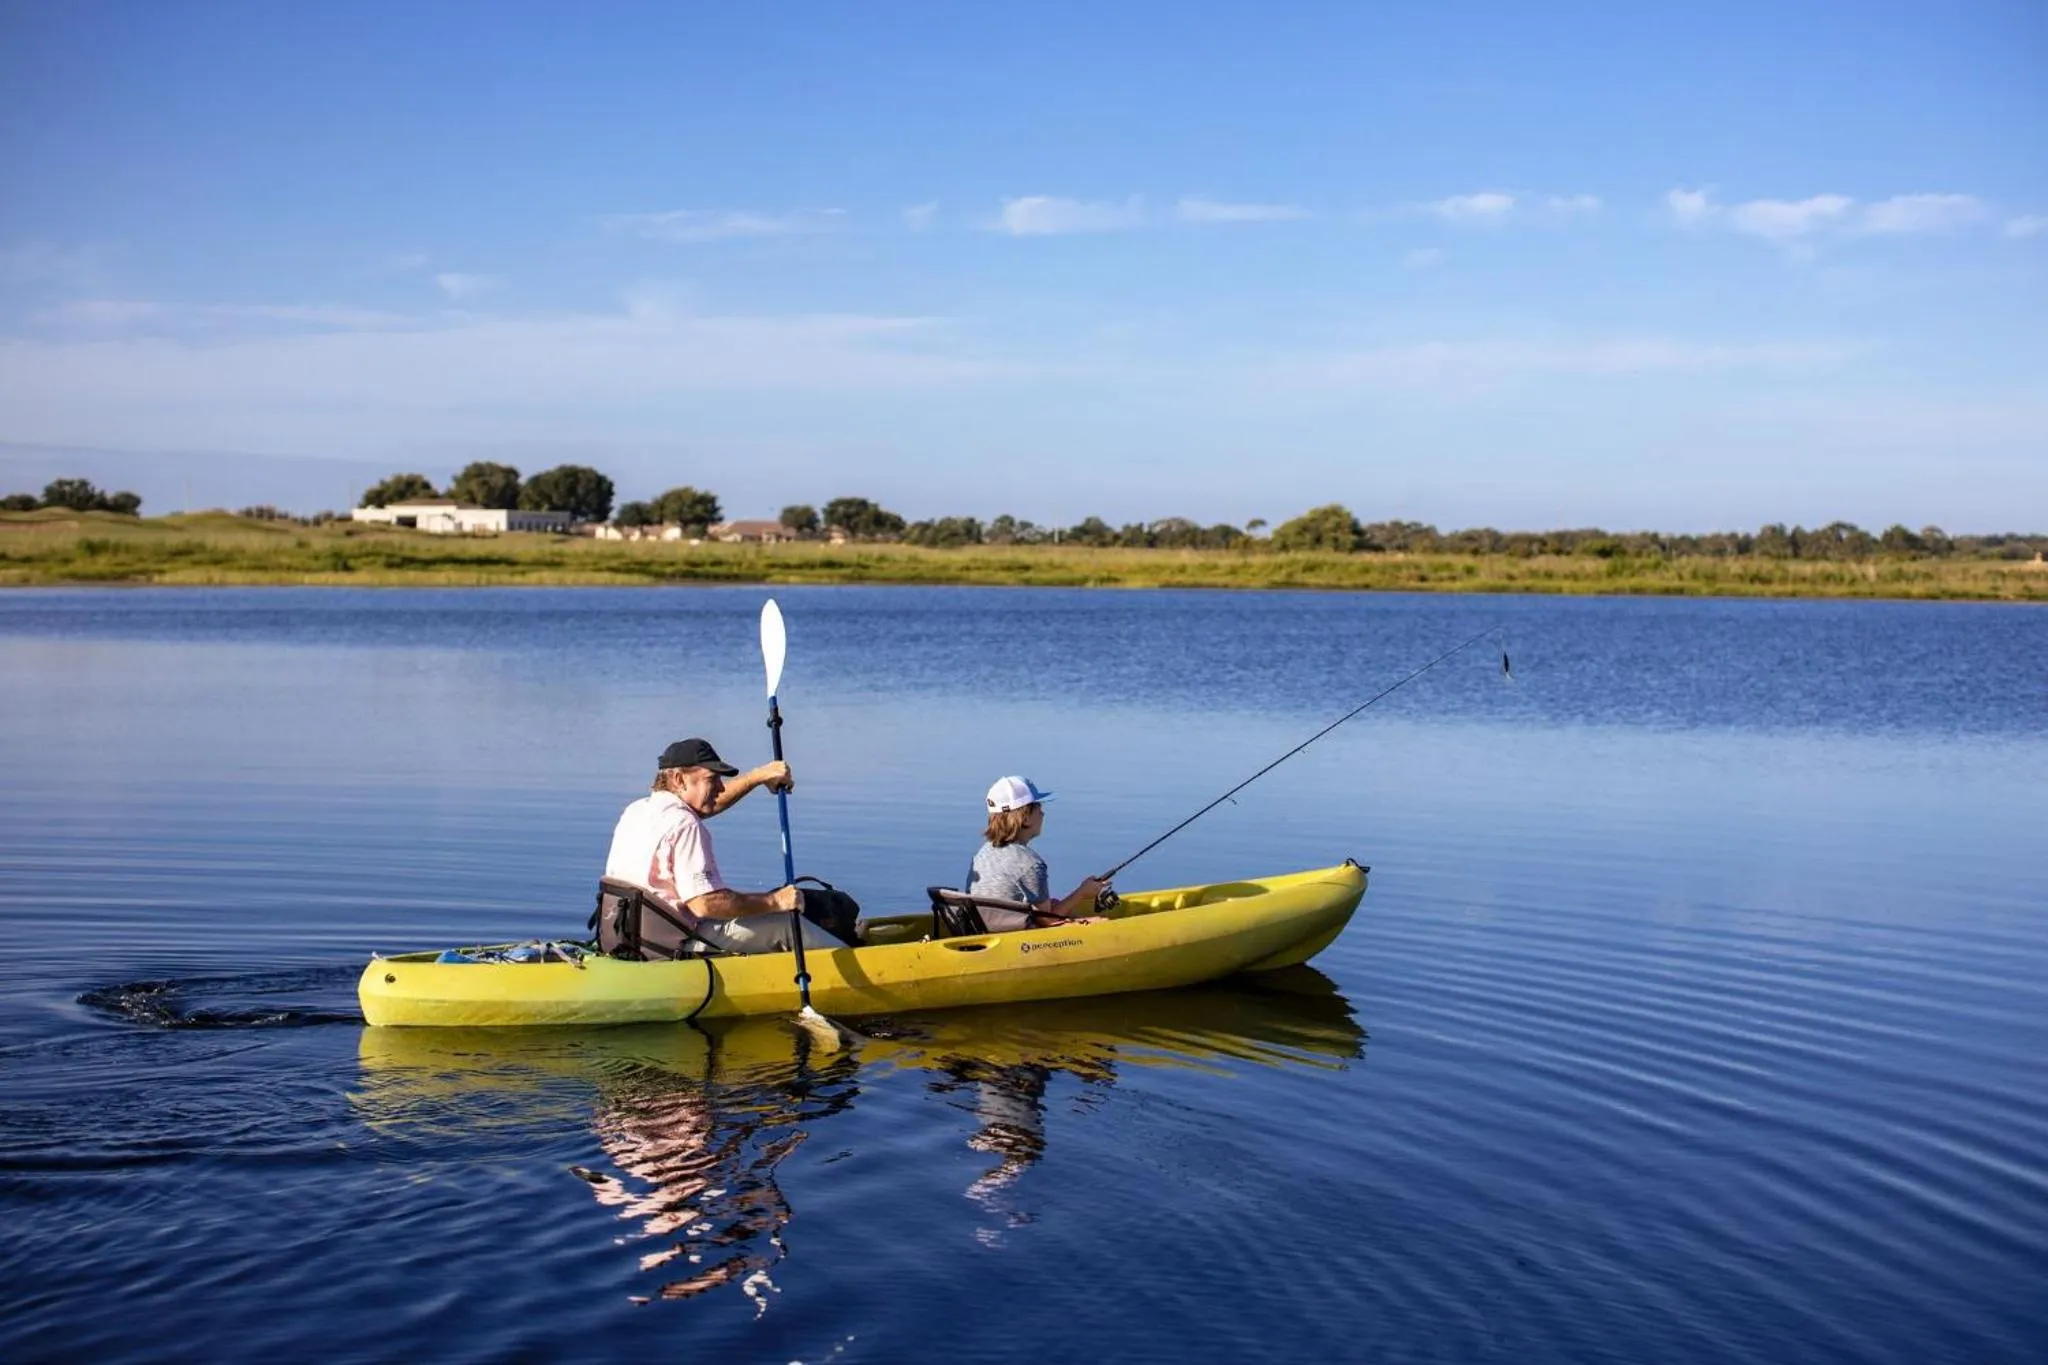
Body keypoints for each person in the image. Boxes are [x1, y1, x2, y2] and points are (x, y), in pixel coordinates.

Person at [604, 737, 849, 955]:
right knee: (786, 924)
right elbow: (704, 905)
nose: (720, 787)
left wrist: (758, 777)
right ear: (679, 779)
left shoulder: (637, 811)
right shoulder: (685, 824)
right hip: (676, 942)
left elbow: (709, 804)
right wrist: (775, 901)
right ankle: (860, 970)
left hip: (628, 935)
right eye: (712, 779)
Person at [963, 775, 1107, 932]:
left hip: (984, 929)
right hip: (1018, 940)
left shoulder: (983, 853)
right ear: (1025, 818)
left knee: (1056, 905)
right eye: (1039, 808)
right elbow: (1049, 920)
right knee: (1103, 923)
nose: (1043, 814)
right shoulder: (1030, 864)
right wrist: (1082, 892)